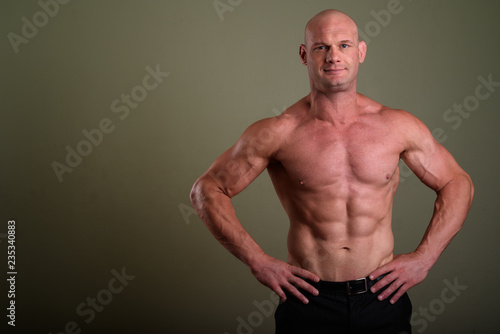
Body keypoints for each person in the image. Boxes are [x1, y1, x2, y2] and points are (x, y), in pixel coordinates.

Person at [190, 9, 474, 334]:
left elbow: (458, 182)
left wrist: (425, 258)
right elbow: (206, 190)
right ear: (303, 54)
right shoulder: (278, 132)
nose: (333, 57)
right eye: (321, 47)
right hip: (308, 300)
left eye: (344, 45)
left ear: (361, 51)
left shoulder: (397, 126)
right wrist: (258, 260)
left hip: (382, 296)